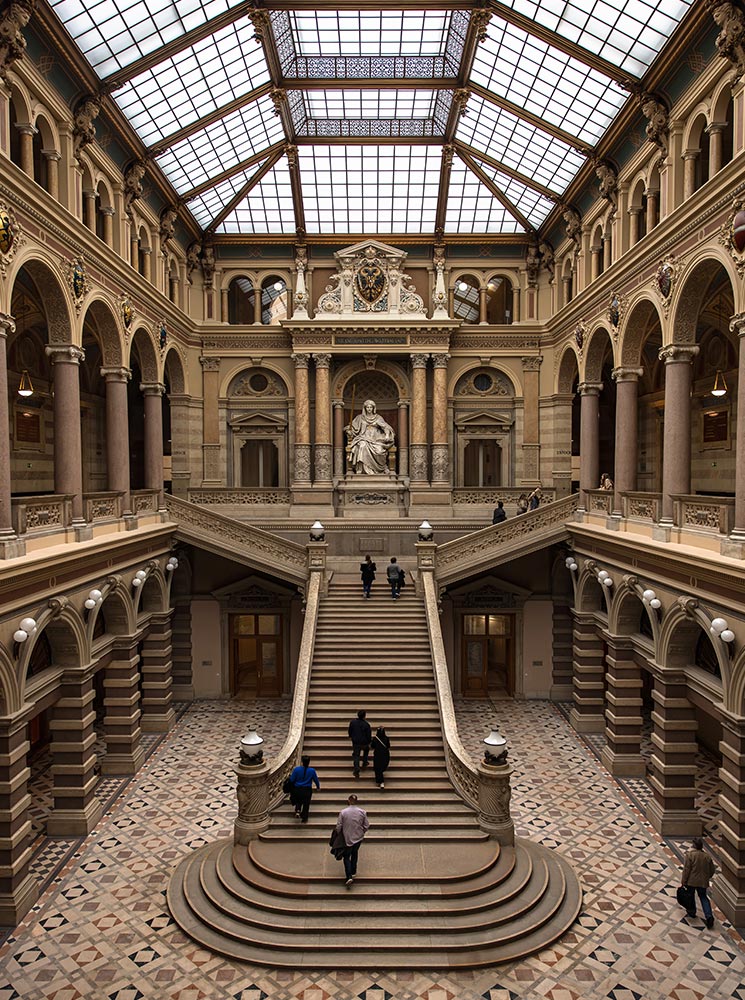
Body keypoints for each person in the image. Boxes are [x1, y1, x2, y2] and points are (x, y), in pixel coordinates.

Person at [347, 399, 395, 475]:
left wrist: (386, 435)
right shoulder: (360, 418)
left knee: (379, 450)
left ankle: (381, 469)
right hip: (363, 437)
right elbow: (352, 428)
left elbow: (386, 427)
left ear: (373, 408)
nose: (369, 409)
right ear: (365, 408)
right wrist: (350, 431)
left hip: (376, 439)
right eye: (367, 407)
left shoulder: (378, 418)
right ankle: (362, 469)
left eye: (371, 407)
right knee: (362, 445)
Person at [681, 837, 717, 928]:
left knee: (691, 895)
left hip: (691, 881)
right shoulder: (707, 856)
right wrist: (707, 877)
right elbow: (712, 870)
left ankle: (692, 912)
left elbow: (686, 870)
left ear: (694, 845)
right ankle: (709, 916)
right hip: (703, 882)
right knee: (703, 897)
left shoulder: (690, 855)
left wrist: (683, 881)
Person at [335, 793, 370, 886]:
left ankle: (349, 876)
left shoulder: (343, 812)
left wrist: (338, 834)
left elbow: (339, 826)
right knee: (355, 853)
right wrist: (362, 832)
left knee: (346, 856)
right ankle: (353, 870)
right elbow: (366, 825)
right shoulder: (362, 812)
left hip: (347, 837)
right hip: (358, 837)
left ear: (349, 801)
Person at [289, 754, 320, 823]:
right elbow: (316, 780)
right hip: (307, 790)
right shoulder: (312, 771)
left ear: (302, 762)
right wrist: (318, 787)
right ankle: (304, 818)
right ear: (309, 762)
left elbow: (291, 779)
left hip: (297, 788)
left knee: (298, 800)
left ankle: (298, 810)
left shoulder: (297, 769)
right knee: (306, 804)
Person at [348, 709, 372, 777]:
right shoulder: (366, 724)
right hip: (364, 742)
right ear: (364, 716)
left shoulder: (353, 722)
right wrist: (369, 742)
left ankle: (356, 769)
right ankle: (364, 762)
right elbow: (368, 735)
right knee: (366, 751)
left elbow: (350, 730)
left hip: (356, 742)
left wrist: (350, 736)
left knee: (356, 756)